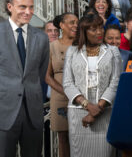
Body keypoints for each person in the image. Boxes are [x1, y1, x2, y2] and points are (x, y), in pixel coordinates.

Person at [0, 0, 50, 157]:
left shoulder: (41, 38)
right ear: (10, 7)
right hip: (1, 111)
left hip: (32, 112)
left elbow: (40, 72)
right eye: (22, 7)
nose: (28, 11)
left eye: (31, 7)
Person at [63, 14, 122, 157]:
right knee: (79, 152)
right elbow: (67, 83)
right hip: (78, 113)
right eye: (94, 29)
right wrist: (89, 107)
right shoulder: (72, 51)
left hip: (105, 112)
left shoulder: (112, 51)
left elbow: (115, 82)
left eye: (101, 28)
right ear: (84, 31)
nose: (100, 32)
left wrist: (98, 108)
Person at [45, 12, 78, 157]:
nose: (75, 25)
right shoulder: (52, 46)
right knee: (63, 138)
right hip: (59, 97)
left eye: (77, 22)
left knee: (79, 135)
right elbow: (47, 76)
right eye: (71, 22)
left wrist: (75, 93)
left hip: (80, 96)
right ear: (62, 25)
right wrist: (64, 91)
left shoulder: (81, 45)